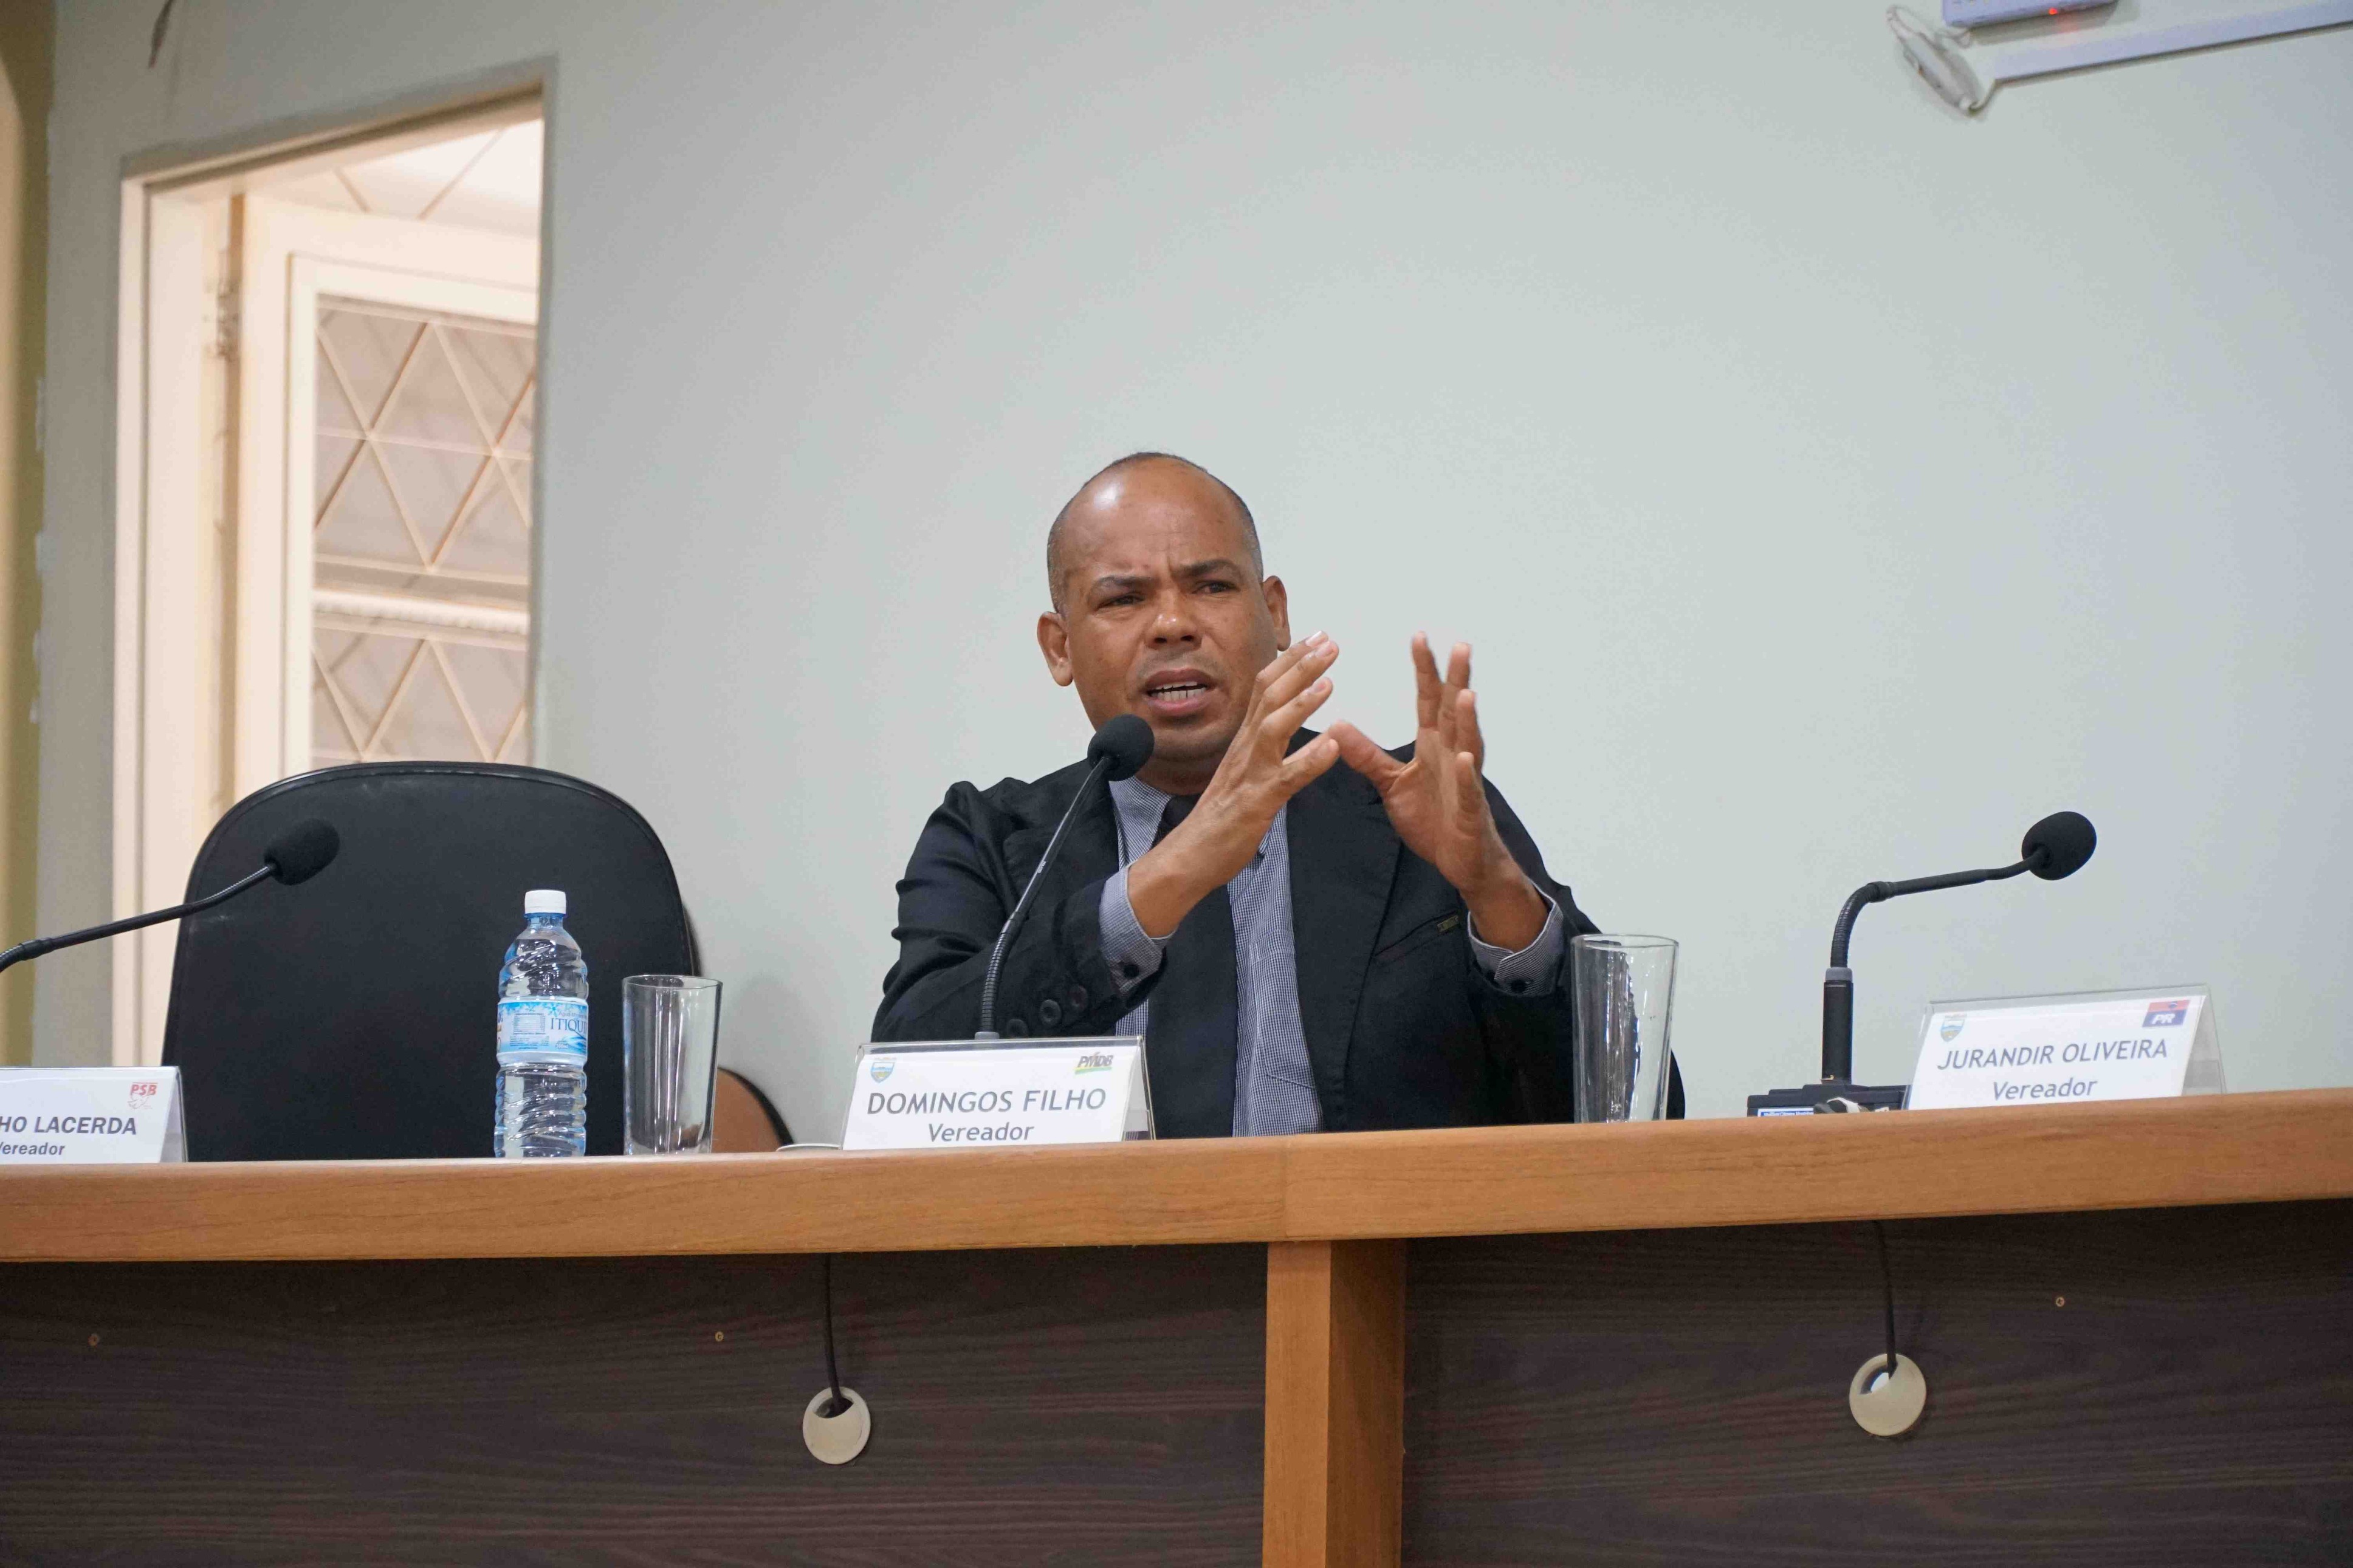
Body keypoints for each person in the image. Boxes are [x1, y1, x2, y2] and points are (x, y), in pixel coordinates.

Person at [876, 452, 1675, 1134]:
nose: (1173, 624)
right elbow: (905, 1082)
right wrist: (1173, 872)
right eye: (1124, 599)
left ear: (1276, 612)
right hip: (1095, 1269)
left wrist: (1497, 893)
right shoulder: (990, 839)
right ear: (1059, 647)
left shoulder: (1415, 808)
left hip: (1380, 1262)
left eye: (1211, 586)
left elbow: (1633, 1113)